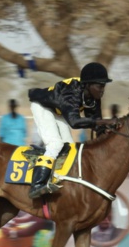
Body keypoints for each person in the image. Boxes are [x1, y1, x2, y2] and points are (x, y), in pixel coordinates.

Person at [27, 62, 117, 199]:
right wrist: (105, 121)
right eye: (99, 86)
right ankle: (37, 185)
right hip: (43, 107)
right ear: (88, 84)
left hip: (58, 111)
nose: (102, 90)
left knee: (69, 147)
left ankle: (59, 178)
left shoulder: (93, 98)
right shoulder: (72, 91)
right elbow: (74, 122)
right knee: (55, 144)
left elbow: (97, 125)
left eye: (104, 86)